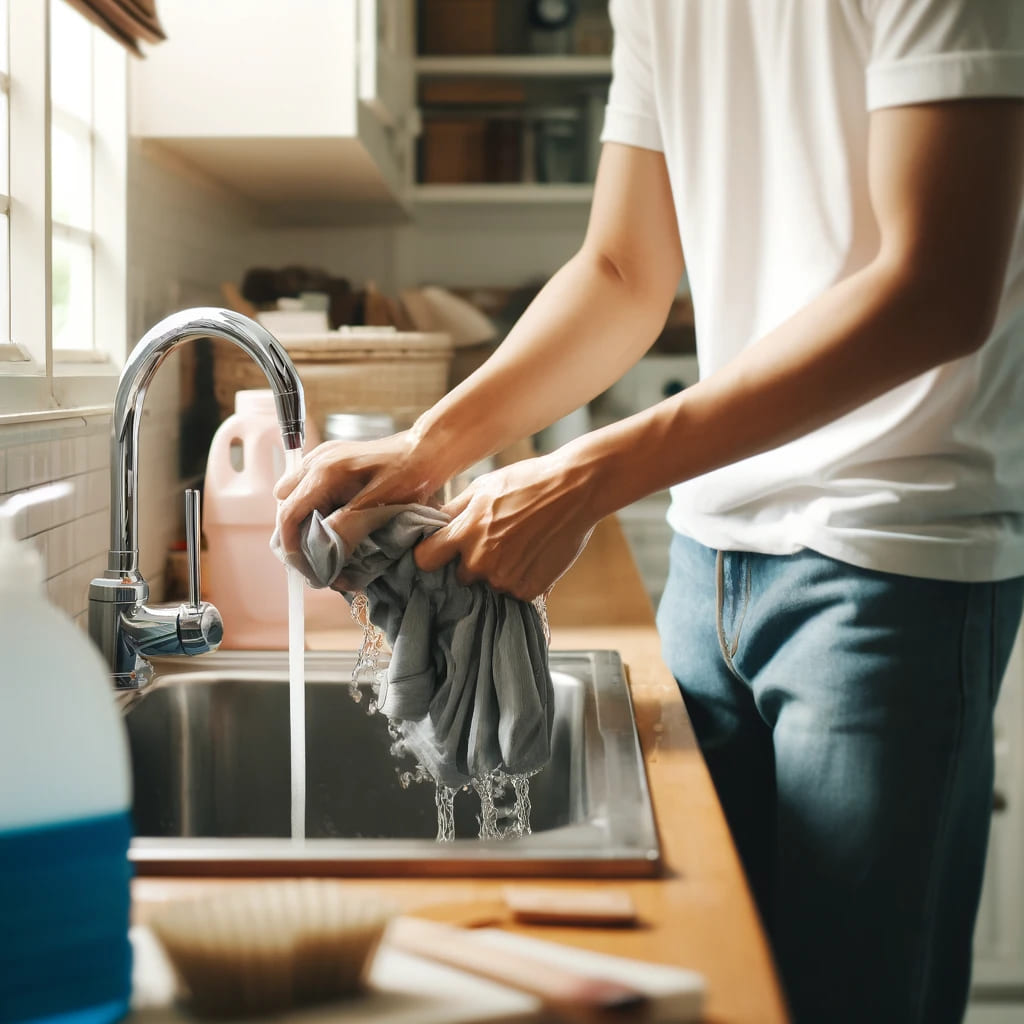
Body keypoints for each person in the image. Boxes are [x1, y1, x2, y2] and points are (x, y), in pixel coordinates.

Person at [275, 2, 1024, 1020]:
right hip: (708, 568)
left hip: (889, 563)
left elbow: (934, 283)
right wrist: (429, 447)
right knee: (705, 976)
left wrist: (588, 475)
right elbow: (623, 270)